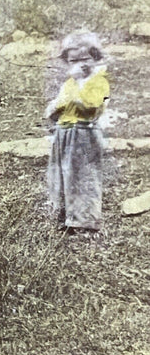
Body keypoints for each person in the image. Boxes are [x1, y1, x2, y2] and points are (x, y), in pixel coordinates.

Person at [45, 32, 110, 231]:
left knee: (84, 175)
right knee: (62, 174)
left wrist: (71, 99)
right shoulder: (70, 83)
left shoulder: (98, 81)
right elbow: (57, 109)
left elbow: (90, 105)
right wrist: (54, 109)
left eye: (85, 59)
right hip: (64, 132)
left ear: (95, 58)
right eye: (74, 60)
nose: (80, 64)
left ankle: (85, 219)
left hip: (84, 133)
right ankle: (65, 216)